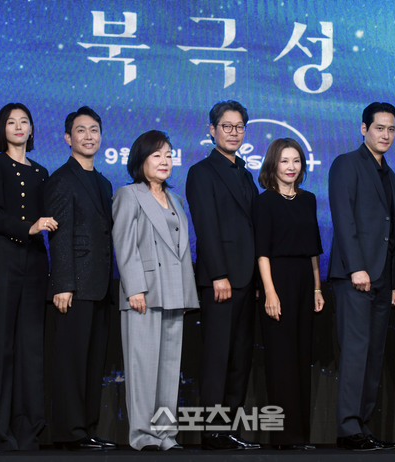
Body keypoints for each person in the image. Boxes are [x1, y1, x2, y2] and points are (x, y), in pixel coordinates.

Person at [113, 130, 199, 451]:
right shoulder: (128, 194)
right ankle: (142, 436)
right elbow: (124, 244)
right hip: (144, 294)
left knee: (168, 369)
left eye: (168, 155)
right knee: (143, 368)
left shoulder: (176, 200)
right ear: (141, 160)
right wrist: (134, 288)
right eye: (157, 155)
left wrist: (186, 292)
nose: (165, 161)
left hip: (174, 293)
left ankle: (165, 435)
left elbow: (181, 251)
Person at [0, 103, 55, 451]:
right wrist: (29, 227)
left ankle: (29, 429)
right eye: (11, 122)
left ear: (32, 129)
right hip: (3, 261)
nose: (19, 127)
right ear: (2, 129)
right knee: (0, 347)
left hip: (36, 264)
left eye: (25, 121)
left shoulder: (42, 172)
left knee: (31, 348)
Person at [185, 100, 260, 450]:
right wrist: (218, 274)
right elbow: (206, 227)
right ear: (212, 130)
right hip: (221, 279)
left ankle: (230, 428)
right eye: (227, 126)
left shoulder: (246, 173)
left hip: (246, 279)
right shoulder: (201, 172)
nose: (234, 132)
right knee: (217, 357)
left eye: (239, 126)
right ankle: (212, 431)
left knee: (240, 357)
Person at [327, 102, 395, 451]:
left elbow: (392, 231)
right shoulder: (346, 164)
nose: (385, 135)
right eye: (379, 128)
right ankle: (348, 428)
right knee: (356, 352)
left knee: (373, 354)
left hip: (383, 278)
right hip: (355, 275)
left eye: (391, 129)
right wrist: (357, 266)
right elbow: (343, 217)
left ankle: (363, 426)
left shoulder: (391, 175)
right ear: (363, 129)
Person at [44, 106, 116, 451]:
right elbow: (59, 236)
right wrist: (63, 284)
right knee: (71, 362)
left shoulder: (103, 182)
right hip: (74, 286)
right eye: (81, 130)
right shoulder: (61, 179)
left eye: (94, 130)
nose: (89, 136)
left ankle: (87, 428)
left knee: (92, 362)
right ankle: (69, 432)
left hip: (100, 285)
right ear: (67, 138)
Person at [254, 138, 324, 450]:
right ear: (273, 164)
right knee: (280, 361)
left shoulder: (309, 199)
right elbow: (262, 252)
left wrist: (317, 287)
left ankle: (301, 435)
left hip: (305, 280)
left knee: (301, 357)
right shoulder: (264, 201)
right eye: (284, 161)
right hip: (277, 279)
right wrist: (269, 292)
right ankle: (283, 436)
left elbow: (313, 250)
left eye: (296, 161)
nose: (291, 167)